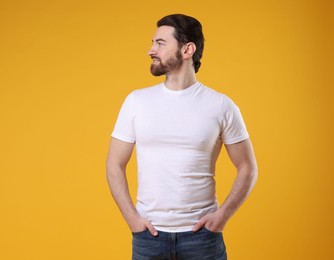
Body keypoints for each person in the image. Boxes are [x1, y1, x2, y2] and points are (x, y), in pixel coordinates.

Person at [106, 14, 258, 260]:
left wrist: (221, 217)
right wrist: (132, 219)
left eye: (160, 43)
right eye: (153, 43)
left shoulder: (220, 105)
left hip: (202, 239)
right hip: (148, 239)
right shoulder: (136, 102)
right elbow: (114, 164)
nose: (150, 50)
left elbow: (247, 168)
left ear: (188, 49)